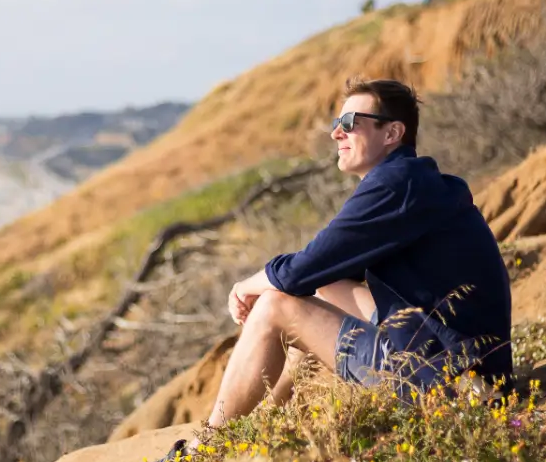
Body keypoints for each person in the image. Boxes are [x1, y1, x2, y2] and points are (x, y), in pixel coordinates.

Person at [205, 77, 513, 429]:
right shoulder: (414, 182)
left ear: (391, 133)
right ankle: (267, 418)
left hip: (450, 385)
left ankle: (206, 443)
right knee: (326, 286)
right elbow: (319, 272)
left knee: (274, 306)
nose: (337, 133)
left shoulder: (397, 185)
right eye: (337, 124)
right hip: (467, 370)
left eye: (350, 124)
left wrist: (247, 285)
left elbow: (301, 269)